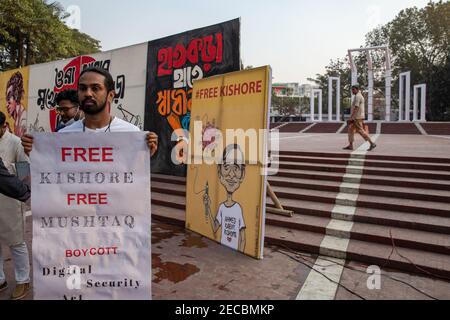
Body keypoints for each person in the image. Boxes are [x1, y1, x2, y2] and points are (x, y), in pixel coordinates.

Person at [21, 66, 158, 156]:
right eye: (82, 88)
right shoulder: (63, 136)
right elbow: (53, 173)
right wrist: (34, 154)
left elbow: (135, 175)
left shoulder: (131, 133)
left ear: (110, 95)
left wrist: (146, 154)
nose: (88, 93)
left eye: (95, 88)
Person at [0, 111, 31, 300]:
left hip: (11, 201)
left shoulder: (16, 142)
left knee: (16, 242)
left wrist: (24, 195)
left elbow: (24, 173)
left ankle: (23, 280)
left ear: (3, 126)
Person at [203, 144, 246, 253]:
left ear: (243, 174)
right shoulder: (221, 207)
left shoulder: (238, 208)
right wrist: (207, 206)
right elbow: (215, 227)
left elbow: (243, 238)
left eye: (236, 168)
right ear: (219, 171)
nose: (231, 175)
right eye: (226, 167)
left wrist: (240, 254)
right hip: (222, 250)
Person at [343, 84, 377, 151]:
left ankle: (372, 143)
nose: (352, 91)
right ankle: (350, 145)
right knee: (350, 130)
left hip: (357, 117)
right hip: (356, 117)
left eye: (353, 89)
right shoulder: (357, 96)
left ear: (357, 89)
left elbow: (356, 107)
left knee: (361, 131)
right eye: (352, 89)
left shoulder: (358, 96)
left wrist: (351, 117)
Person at [5, 72, 27, 137]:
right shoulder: (17, 118)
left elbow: (21, 144)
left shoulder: (23, 120)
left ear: (16, 95)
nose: (6, 104)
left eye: (9, 98)